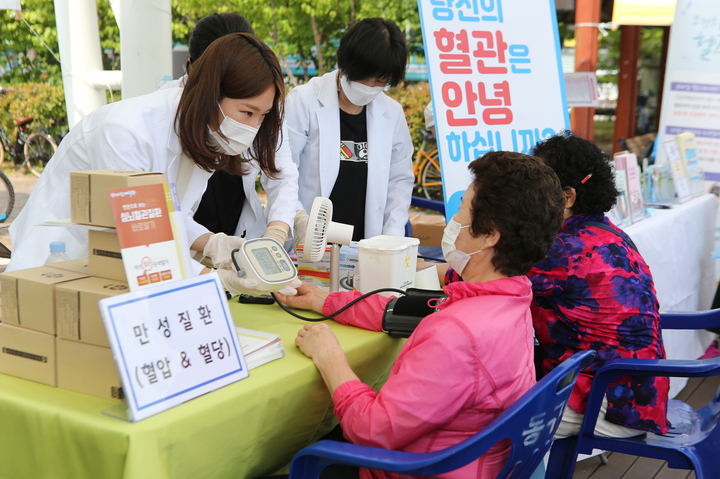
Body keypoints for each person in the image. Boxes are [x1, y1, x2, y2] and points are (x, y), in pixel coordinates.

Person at [275, 151, 566, 479]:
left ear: (489, 234)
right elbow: (406, 310)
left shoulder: (457, 332)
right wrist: (324, 301)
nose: (453, 221)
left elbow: (371, 429)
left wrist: (330, 358)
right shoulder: (511, 297)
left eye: (461, 211)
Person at [8, 33, 301, 296]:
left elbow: (168, 215)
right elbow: (139, 235)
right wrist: (216, 279)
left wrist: (215, 243)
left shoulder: (206, 133)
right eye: (247, 113)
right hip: (56, 261)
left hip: (113, 273)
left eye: (262, 116)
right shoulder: (127, 132)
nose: (253, 127)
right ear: (213, 94)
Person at [528, 132, 669, 438]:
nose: (525, 196)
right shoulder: (606, 233)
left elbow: (482, 276)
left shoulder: (564, 249)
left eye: (534, 188)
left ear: (567, 197)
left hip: (610, 402)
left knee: (489, 421)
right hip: (641, 394)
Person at [163, 13, 300, 249]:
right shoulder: (167, 114)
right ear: (194, 67)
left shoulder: (261, 104)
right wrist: (213, 248)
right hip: (185, 236)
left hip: (236, 226)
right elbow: (167, 216)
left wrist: (277, 230)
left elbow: (281, 172)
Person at [284, 18, 414, 242]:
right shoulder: (303, 101)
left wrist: (391, 239)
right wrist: (299, 219)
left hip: (366, 245)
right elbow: (283, 172)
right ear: (344, 65)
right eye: (365, 80)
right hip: (307, 241)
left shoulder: (392, 113)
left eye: (380, 82)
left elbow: (399, 181)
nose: (371, 88)